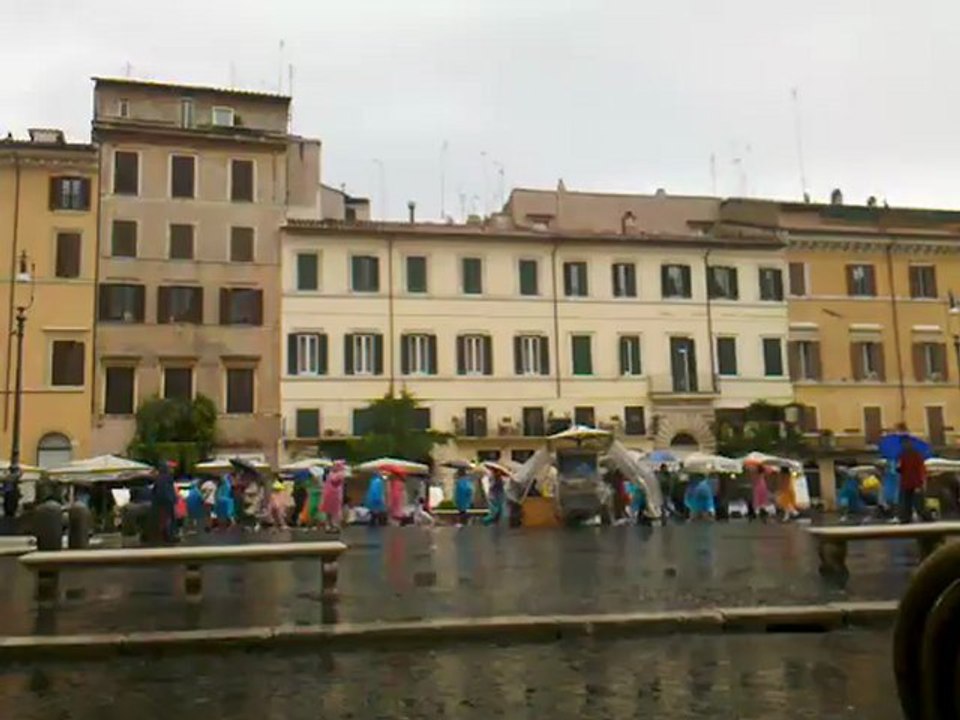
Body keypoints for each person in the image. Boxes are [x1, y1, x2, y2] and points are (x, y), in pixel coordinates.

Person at [898, 439, 929, 524]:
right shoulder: (917, 455)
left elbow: (900, 468)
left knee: (907, 502)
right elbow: (921, 469)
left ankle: (905, 518)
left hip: (907, 483)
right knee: (918, 502)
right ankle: (924, 516)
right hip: (915, 483)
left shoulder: (903, 455)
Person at [152, 462, 179, 543]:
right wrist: (172, 499)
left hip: (160, 503)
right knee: (168, 519)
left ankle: (165, 536)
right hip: (166, 503)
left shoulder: (159, 478)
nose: (173, 470)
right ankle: (169, 536)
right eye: (171, 468)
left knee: (164, 519)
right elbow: (166, 491)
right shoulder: (166, 478)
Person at [321, 461, 347, 532]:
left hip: (335, 494)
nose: (334, 467)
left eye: (336, 465)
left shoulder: (341, 474)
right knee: (328, 510)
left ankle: (335, 525)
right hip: (328, 493)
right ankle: (328, 525)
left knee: (335, 511)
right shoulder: (330, 473)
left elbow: (334, 480)